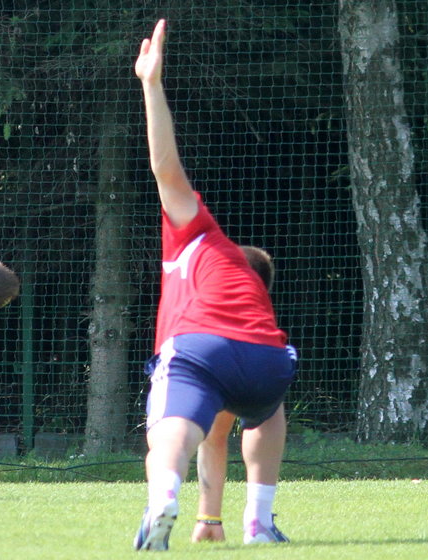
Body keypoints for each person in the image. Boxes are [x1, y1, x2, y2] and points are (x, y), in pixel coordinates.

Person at [133, 19, 297, 550]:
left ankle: (162, 497)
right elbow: (223, 429)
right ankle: (259, 520)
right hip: (269, 358)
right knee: (264, 412)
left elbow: (164, 166)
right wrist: (212, 516)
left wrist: (151, 85)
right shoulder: (252, 297)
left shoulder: (198, 236)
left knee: (173, 426)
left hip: (200, 346)